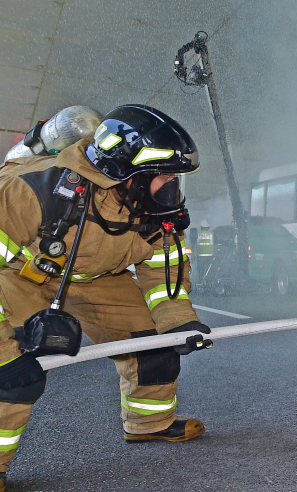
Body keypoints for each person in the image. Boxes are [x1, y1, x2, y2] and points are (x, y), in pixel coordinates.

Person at [0, 104, 210, 489]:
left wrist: (178, 323)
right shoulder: (32, 190)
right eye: (162, 178)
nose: (172, 190)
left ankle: (149, 423)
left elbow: (164, 272)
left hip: (98, 278)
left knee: (155, 347)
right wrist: (4, 353)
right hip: (20, 273)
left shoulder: (151, 206)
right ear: (127, 175)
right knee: (11, 378)